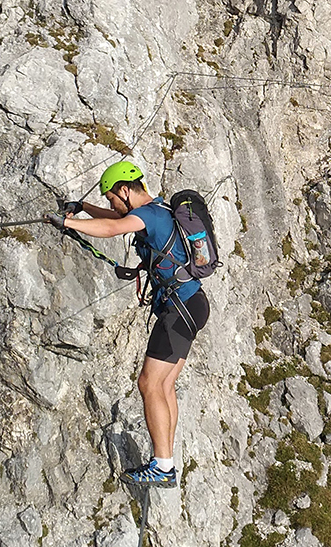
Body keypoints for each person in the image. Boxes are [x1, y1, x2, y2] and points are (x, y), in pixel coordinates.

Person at [55, 161, 210, 488]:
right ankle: (165, 457)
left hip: (178, 309)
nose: (111, 203)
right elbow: (116, 219)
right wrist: (83, 208)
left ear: (125, 190)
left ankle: (162, 465)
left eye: (112, 197)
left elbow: (112, 228)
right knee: (164, 386)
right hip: (192, 305)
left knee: (148, 384)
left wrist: (67, 222)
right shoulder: (154, 211)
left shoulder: (150, 215)